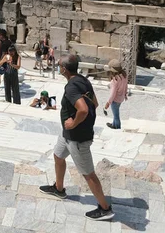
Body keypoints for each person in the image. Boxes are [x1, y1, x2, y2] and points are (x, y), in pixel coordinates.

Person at [39, 54, 114, 222]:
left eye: (59, 65)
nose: (58, 67)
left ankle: (105, 208)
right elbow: (94, 103)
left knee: (88, 174)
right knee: (58, 156)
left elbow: (84, 109)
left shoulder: (72, 87)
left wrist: (73, 123)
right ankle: (59, 189)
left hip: (77, 138)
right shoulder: (83, 80)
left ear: (64, 69)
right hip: (67, 135)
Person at [104, 59, 128, 130]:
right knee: (116, 112)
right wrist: (125, 95)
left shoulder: (115, 80)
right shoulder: (124, 76)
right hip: (121, 98)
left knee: (116, 115)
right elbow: (126, 86)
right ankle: (114, 124)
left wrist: (108, 103)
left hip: (115, 100)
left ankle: (117, 127)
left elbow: (112, 93)